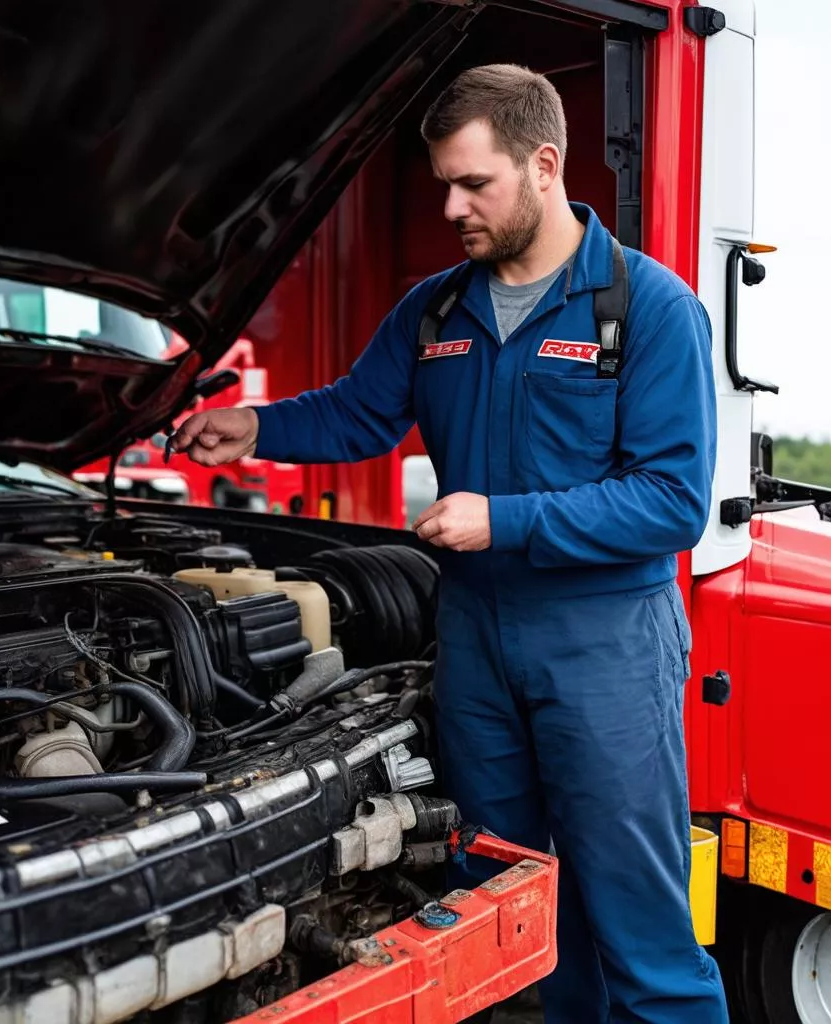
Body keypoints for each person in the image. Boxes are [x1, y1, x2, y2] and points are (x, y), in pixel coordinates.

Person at [169, 64, 729, 1024]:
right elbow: (357, 412)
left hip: (605, 645)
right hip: (473, 639)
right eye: (444, 184)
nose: (451, 207)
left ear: (543, 165)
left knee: (638, 926)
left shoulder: (647, 308)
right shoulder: (435, 309)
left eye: (474, 183)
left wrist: (503, 519)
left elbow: (673, 503)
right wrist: (256, 427)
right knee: (501, 903)